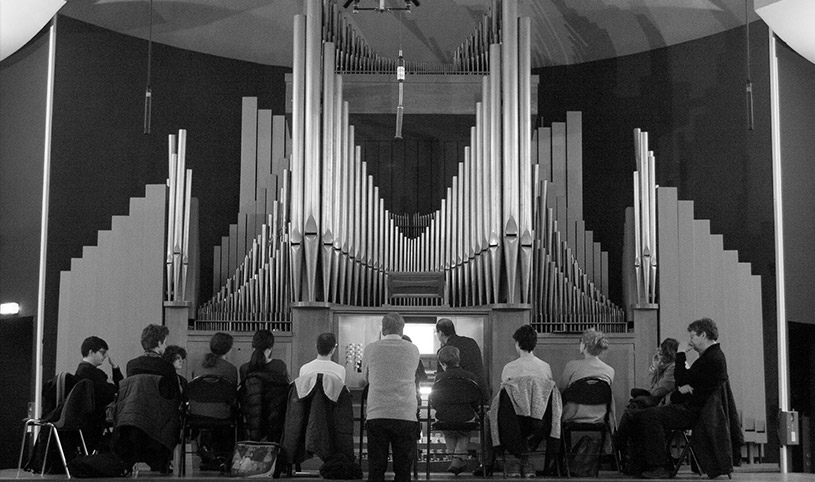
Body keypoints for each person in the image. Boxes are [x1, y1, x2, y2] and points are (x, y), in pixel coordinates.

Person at [632, 318, 729, 479]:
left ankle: (658, 466)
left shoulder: (710, 359)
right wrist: (681, 388)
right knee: (647, 414)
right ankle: (657, 463)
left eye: (692, 336)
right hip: (699, 408)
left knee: (649, 416)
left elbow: (681, 379)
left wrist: (681, 353)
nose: (690, 341)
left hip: (697, 412)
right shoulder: (712, 356)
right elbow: (684, 382)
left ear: (703, 335)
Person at [362, 312, 420, 482]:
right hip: (405, 413)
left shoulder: (371, 348)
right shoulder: (413, 349)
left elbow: (365, 379)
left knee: (376, 466)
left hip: (377, 412)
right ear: (402, 329)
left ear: (383, 329)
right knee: (403, 469)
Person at [614, 338, 678, 472]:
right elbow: (654, 387)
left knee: (633, 413)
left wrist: (656, 373)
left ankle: (619, 447)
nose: (658, 355)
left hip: (665, 405)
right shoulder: (665, 367)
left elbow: (658, 391)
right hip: (658, 402)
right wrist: (656, 369)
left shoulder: (673, 368)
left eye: (661, 353)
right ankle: (627, 453)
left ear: (668, 353)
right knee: (632, 411)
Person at [189, 332, 238, 471]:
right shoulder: (230, 369)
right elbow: (231, 396)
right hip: (221, 414)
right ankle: (222, 457)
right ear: (228, 349)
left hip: (196, 413)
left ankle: (205, 451)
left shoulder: (197, 365)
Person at [433, 345, 481, 475]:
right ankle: (459, 461)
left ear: (442, 363)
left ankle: (455, 461)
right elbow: (476, 399)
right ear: (458, 360)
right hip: (466, 415)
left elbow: (434, 402)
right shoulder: (470, 376)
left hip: (444, 417)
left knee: (449, 433)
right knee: (464, 433)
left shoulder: (439, 378)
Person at [74, 335, 123, 452]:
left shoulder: (82, 370)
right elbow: (115, 390)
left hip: (88, 420)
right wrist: (114, 374)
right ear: (91, 352)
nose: (105, 356)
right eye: (102, 352)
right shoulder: (92, 373)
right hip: (94, 421)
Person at [240, 329, 290, 442]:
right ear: (271, 348)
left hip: (251, 420)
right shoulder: (279, 365)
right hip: (276, 420)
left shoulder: (244, 368)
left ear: (252, 347)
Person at [559, 327, 614, 424]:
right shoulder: (609, 371)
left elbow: (561, 391)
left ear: (584, 345)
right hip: (599, 416)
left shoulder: (571, 366)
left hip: (572, 415)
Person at [125, 324, 180, 400]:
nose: (165, 346)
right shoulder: (167, 366)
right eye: (165, 342)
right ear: (159, 343)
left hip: (137, 408)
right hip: (159, 409)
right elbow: (175, 396)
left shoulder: (131, 365)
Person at [435, 318, 487, 398]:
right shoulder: (471, 342)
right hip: (479, 392)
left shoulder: (444, 351)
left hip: (458, 396)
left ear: (440, 333)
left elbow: (442, 379)